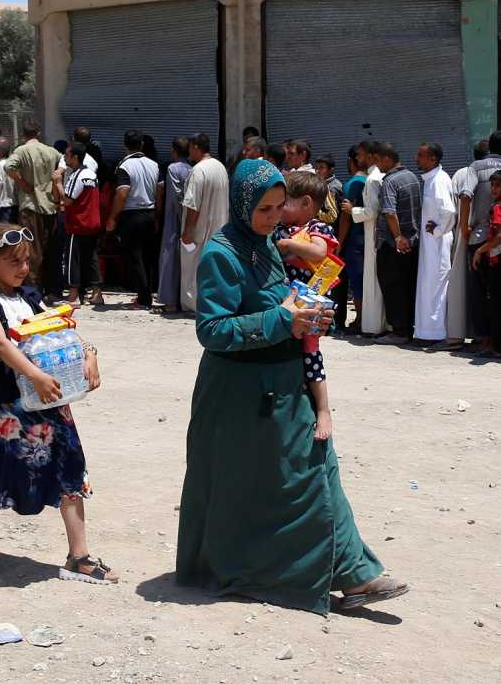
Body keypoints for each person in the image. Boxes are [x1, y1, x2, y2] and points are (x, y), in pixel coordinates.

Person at [175, 159, 408, 614]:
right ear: (243, 205)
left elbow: (287, 293)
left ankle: (355, 573)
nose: (273, 218)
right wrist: (283, 317)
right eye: (265, 209)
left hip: (284, 382)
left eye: (279, 208)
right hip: (240, 394)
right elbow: (213, 330)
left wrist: (303, 311)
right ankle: (333, 573)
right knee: (261, 484)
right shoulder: (221, 254)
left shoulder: (267, 245)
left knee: (316, 466)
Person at [0, 223, 110, 583]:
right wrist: (34, 374)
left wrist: (88, 352)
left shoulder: (29, 295)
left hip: (49, 399)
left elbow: (58, 328)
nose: (22, 268)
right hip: (8, 408)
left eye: (25, 261)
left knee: (71, 470)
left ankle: (79, 557)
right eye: (13, 261)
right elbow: (1, 345)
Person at [273, 170, 340, 438]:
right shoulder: (278, 228)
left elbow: (319, 252)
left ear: (306, 203)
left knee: (312, 354)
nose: (279, 209)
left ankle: (323, 410)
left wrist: (288, 244)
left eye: (284, 202)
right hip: (285, 302)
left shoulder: (317, 229)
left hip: (309, 302)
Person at [458, 133, 501, 351]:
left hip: (480, 240)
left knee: (480, 292)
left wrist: (464, 227)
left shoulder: (475, 167)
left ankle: (485, 340)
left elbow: (465, 196)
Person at [6, 121, 63, 296]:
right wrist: (58, 175)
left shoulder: (21, 151)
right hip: (50, 205)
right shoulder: (52, 151)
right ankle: (53, 289)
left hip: (30, 207)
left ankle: (33, 290)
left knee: (31, 250)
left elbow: (8, 166)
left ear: (23, 134)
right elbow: (63, 163)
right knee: (51, 249)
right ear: (38, 132)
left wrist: (22, 183)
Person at [107, 130, 161, 309]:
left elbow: (122, 193)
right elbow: (160, 190)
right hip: (150, 213)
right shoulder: (154, 164)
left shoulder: (125, 166)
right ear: (142, 145)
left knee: (134, 258)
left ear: (125, 146)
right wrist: (157, 214)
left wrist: (113, 217)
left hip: (132, 216)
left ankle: (144, 299)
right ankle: (146, 293)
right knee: (147, 257)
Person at [375, 142, 422, 345]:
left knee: (392, 286)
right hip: (413, 241)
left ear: (387, 159)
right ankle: (408, 327)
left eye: (378, 161)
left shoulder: (390, 182)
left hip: (394, 244)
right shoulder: (412, 177)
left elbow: (390, 211)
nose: (377, 166)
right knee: (408, 286)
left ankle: (399, 331)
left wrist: (397, 237)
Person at [179, 133, 229, 313]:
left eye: (190, 147)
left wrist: (187, 232)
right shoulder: (220, 167)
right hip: (220, 231)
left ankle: (195, 306)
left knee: (194, 271)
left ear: (197, 148)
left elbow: (193, 205)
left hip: (200, 233)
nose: (189, 152)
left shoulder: (198, 170)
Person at [470, 169, 501, 356]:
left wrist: (480, 251)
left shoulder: (498, 207)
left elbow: (498, 237)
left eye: (498, 185)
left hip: (498, 258)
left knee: (497, 304)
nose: (494, 189)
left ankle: (499, 347)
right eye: (492, 185)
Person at [413, 143, 456, 347]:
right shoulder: (432, 179)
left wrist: (438, 230)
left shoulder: (439, 180)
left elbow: (449, 212)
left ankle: (437, 334)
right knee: (429, 286)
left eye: (421, 155)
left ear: (432, 158)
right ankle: (427, 332)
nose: (416, 158)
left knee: (437, 286)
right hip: (431, 243)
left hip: (438, 243)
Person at [444, 142, 483, 346]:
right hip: (478, 233)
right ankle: (477, 336)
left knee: (460, 285)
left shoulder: (460, 173)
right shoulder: (497, 171)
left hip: (461, 232)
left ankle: (457, 333)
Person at [58, 145, 102, 304]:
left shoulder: (77, 175)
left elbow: (68, 200)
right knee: (91, 258)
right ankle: (97, 294)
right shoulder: (91, 174)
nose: (64, 158)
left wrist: (57, 183)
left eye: (67, 155)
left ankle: (73, 295)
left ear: (75, 157)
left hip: (78, 224)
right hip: (92, 222)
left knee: (72, 259)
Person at [352, 145, 388, 337]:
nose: (358, 158)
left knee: (373, 281)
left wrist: (352, 210)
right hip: (372, 233)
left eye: (361, 155)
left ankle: (374, 327)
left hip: (373, 234)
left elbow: (372, 211)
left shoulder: (373, 180)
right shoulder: (374, 177)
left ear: (371, 156)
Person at [156, 136, 192, 313]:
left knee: (170, 257)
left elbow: (177, 196)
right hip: (189, 218)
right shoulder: (192, 169)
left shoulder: (172, 168)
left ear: (174, 151)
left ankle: (169, 301)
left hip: (174, 218)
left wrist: (181, 218)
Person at [338, 144, 371, 333]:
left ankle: (360, 319)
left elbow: (345, 217)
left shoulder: (351, 184)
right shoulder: (372, 180)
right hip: (369, 239)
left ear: (351, 160)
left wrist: (339, 243)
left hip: (355, 240)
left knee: (357, 280)